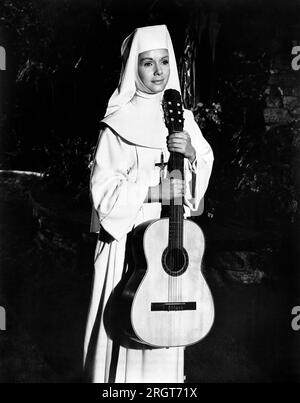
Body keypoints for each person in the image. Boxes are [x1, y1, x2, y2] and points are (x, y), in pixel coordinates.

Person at [83, 24, 214, 383]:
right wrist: (155, 190)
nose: (158, 72)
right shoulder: (117, 124)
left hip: (166, 245)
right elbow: (105, 192)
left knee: (164, 331)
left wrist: (189, 152)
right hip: (126, 242)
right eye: (147, 64)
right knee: (122, 336)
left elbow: (201, 172)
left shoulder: (181, 117)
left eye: (164, 62)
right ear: (132, 69)